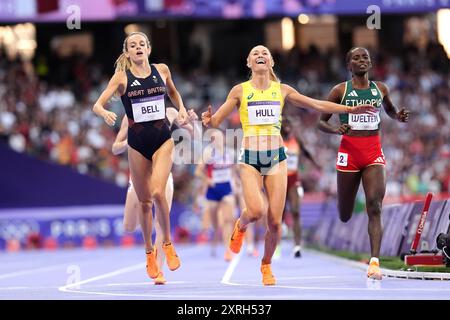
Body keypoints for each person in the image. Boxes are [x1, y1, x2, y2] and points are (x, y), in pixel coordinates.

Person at [201, 44, 375, 285]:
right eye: (255, 54)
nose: (260, 55)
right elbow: (216, 121)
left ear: (271, 62)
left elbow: (316, 104)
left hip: (276, 159)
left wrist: (349, 108)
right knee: (256, 211)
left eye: (264, 53)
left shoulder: (281, 90)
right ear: (248, 63)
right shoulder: (239, 91)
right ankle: (240, 226)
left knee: (274, 221)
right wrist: (209, 121)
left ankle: (266, 264)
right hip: (250, 158)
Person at [93, 31, 188, 280]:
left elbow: (174, 93)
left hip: (162, 140)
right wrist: (104, 113)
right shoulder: (122, 78)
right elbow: (97, 104)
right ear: (127, 53)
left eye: (141, 44)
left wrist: (182, 110)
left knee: (158, 192)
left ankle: (167, 243)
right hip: (136, 145)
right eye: (132, 45)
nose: (137, 48)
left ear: (148, 48)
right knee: (144, 203)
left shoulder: (162, 70)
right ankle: (148, 253)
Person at [318, 47, 409, 280]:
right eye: (356, 58)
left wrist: (397, 115)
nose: (361, 60)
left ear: (370, 63)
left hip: (372, 153)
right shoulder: (340, 91)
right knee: (345, 214)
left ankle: (374, 262)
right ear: (349, 65)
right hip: (348, 154)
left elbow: (389, 109)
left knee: (375, 205)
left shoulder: (381, 88)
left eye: (365, 57)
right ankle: (343, 207)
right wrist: (335, 129)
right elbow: (321, 122)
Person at [112, 108, 198, 284]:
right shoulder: (131, 115)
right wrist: (131, 141)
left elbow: (194, 136)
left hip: (162, 175)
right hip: (139, 176)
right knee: (129, 226)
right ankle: (151, 253)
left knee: (160, 225)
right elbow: (115, 148)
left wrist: (193, 123)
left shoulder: (170, 112)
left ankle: (158, 270)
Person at [194, 130, 237, 261]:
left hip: (226, 188)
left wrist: (236, 182)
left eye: (220, 137)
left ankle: (227, 250)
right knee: (215, 223)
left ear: (223, 138)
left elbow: (234, 169)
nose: (218, 140)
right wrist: (207, 180)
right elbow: (198, 172)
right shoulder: (208, 152)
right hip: (213, 190)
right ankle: (215, 241)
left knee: (227, 220)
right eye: (215, 138)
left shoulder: (230, 152)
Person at [280, 117, 320, 258]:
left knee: (296, 211)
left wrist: (315, 164)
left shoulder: (296, 140)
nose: (287, 127)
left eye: (289, 124)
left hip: (294, 179)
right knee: (280, 213)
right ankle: (277, 243)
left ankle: (297, 246)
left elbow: (306, 152)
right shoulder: (276, 141)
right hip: (279, 180)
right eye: (284, 125)